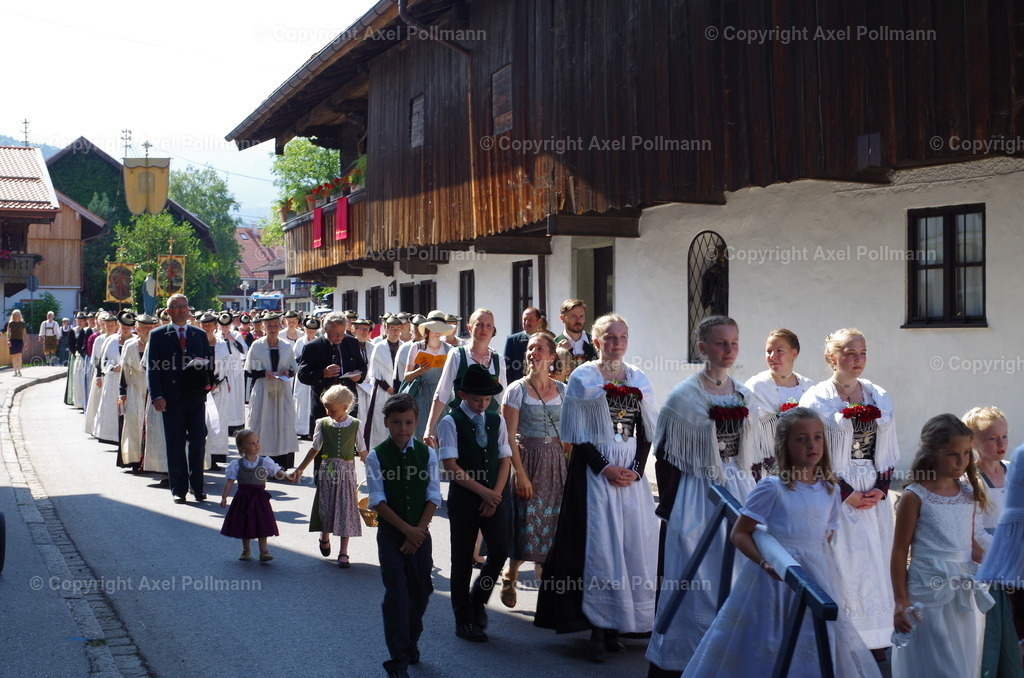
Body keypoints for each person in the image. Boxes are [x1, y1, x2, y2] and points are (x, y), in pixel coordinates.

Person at [683, 408, 881, 677]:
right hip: (773, 578)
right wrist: (764, 561)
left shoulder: (831, 489)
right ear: (785, 445)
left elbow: (827, 535)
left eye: (817, 438)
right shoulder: (772, 488)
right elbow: (740, 533)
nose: (812, 445)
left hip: (816, 576)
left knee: (813, 637)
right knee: (766, 640)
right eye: (801, 439)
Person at [536, 314, 659, 662]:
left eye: (622, 337)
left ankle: (621, 622)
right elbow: (575, 433)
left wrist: (635, 469)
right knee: (599, 547)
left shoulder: (639, 379)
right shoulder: (584, 377)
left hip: (630, 477)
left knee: (630, 546)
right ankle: (597, 628)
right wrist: (606, 468)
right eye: (609, 337)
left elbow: (647, 432)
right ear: (596, 340)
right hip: (595, 474)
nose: (616, 343)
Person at [647, 316, 760, 674]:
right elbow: (665, 457)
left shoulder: (743, 393)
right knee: (694, 575)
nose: (728, 350)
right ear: (702, 348)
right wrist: (669, 508)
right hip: (698, 495)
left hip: (737, 488)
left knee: (737, 571)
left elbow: (756, 453)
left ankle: (730, 657)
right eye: (720, 343)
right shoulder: (683, 397)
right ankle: (685, 660)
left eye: (734, 343)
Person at [800, 329, 899, 660]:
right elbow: (810, 453)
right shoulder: (816, 400)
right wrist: (844, 492)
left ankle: (877, 637)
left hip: (873, 492)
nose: (857, 360)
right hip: (835, 492)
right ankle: (844, 637)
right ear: (831, 358)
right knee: (845, 563)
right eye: (849, 353)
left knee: (876, 561)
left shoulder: (878, 395)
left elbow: (887, 450)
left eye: (862, 353)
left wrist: (881, 489)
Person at [891, 414, 994, 677]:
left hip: (961, 594)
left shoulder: (969, 494)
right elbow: (900, 551)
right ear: (932, 452)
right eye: (952, 454)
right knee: (940, 665)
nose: (961, 462)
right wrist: (901, 602)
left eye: (966, 454)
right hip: (926, 593)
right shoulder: (915, 496)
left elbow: (970, 546)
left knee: (962, 663)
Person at [365, 394, 441, 678]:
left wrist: (418, 532)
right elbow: (377, 500)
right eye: (396, 422)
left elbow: (433, 495)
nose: (402, 428)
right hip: (391, 536)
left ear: (416, 422)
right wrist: (405, 531)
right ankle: (397, 660)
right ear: (386, 423)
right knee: (396, 595)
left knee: (421, 592)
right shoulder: (377, 455)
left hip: (420, 535)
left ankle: (410, 641)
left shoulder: (427, 454)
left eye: (408, 422)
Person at [437, 364, 512, 643]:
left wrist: (496, 494)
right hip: (466, 498)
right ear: (462, 394)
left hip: (495, 494)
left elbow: (505, 458)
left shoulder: (496, 419)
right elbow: (451, 466)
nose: (483, 404)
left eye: (487, 399)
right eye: (477, 399)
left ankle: (478, 596)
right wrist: (483, 492)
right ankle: (463, 618)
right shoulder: (450, 421)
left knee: (501, 550)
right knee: (462, 559)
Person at [499, 331, 567, 609]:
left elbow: (568, 435)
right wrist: (521, 474)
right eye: (530, 349)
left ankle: (545, 581)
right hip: (527, 460)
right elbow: (508, 437)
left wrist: (570, 466)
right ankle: (511, 574)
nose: (533, 353)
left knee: (553, 524)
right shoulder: (516, 390)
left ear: (551, 357)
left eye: (540, 349)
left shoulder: (563, 390)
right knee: (527, 522)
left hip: (556, 463)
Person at [962, 407, 1023, 677]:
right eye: (992, 438)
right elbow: (974, 534)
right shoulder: (971, 480)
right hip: (992, 563)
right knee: (1000, 625)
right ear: (973, 442)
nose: (1001, 444)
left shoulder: (1013, 470)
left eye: (1004, 437)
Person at [147, 294, 216, 504]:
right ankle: (179, 488)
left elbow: (208, 364)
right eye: (176, 307)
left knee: (198, 443)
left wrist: (209, 383)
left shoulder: (198, 334)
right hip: (171, 398)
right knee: (175, 444)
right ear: (168, 312)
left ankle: (198, 487)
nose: (181, 310)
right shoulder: (158, 335)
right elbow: (153, 368)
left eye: (184, 306)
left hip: (195, 398)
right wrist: (157, 395)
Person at [293, 384, 367, 567]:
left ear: (345, 407)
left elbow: (363, 450)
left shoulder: (356, 425)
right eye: (326, 407)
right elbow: (315, 448)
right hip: (327, 471)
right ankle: (324, 535)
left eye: (331, 409)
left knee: (346, 510)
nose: (327, 411)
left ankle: (343, 552)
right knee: (326, 505)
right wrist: (300, 469)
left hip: (347, 474)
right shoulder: (323, 423)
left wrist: (377, 470)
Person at [425, 308, 506, 447]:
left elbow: (502, 399)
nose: (483, 329)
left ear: (493, 330)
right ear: (469, 328)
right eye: (479, 324)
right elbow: (441, 393)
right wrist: (429, 428)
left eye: (488, 325)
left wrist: (506, 432)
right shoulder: (457, 355)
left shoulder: (498, 360)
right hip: (460, 424)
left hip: (488, 426)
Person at [744, 328, 814, 475]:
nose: (773, 356)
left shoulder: (808, 387)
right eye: (769, 351)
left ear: (794, 353)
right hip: (766, 466)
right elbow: (749, 432)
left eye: (779, 351)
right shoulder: (755, 386)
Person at [296, 311, 366, 445]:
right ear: (325, 330)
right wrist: (323, 373)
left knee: (346, 445)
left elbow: (362, 366)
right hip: (324, 406)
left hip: (347, 404)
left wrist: (359, 375)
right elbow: (303, 376)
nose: (340, 337)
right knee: (323, 447)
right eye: (335, 333)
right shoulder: (312, 347)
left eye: (342, 333)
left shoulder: (352, 343)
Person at [220, 429, 290, 562]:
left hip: (259, 498)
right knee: (244, 523)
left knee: (262, 523)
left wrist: (286, 476)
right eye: (252, 443)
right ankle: (246, 550)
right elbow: (230, 481)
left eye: (257, 442)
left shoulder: (264, 462)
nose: (256, 445)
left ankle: (264, 551)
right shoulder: (237, 464)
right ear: (242, 448)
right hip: (243, 498)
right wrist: (224, 497)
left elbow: (276, 471)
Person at [244, 312, 298, 470]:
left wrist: (287, 372)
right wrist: (263, 373)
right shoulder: (257, 346)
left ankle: (282, 463)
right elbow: (249, 371)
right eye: (269, 325)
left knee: (284, 423)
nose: (272, 328)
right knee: (261, 422)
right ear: (264, 327)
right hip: (263, 389)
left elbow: (293, 368)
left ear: (280, 325)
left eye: (275, 325)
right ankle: (259, 460)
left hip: (282, 390)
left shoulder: (287, 346)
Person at [403, 316, 453, 440]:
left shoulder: (449, 349)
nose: (437, 332)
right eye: (433, 328)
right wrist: (420, 370)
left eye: (440, 329)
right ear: (427, 330)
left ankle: (441, 460)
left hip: (443, 394)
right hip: (422, 394)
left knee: (443, 434)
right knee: (422, 432)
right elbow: (406, 377)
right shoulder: (417, 347)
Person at [119, 313, 157, 470]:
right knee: (134, 425)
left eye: (150, 327)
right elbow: (124, 370)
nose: (147, 330)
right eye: (144, 328)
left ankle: (151, 461)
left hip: (152, 391)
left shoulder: (157, 344)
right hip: (135, 389)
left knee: (152, 427)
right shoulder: (130, 345)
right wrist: (122, 392)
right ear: (137, 329)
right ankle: (135, 460)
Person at [96, 311, 135, 449]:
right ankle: (112, 435)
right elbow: (103, 360)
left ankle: (126, 435)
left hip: (129, 380)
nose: (125, 330)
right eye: (123, 327)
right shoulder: (111, 340)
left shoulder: (135, 341)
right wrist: (113, 368)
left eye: (128, 328)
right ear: (119, 326)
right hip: (113, 380)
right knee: (112, 407)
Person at [365, 315, 404, 450]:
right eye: (392, 329)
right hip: (383, 392)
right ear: (385, 329)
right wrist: (390, 389)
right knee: (380, 423)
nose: (395, 332)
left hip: (400, 391)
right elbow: (376, 374)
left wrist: (399, 390)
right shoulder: (379, 347)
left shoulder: (404, 347)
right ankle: (379, 450)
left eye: (398, 329)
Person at [216, 312, 247, 434]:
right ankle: (223, 422)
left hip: (234, 370)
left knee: (236, 396)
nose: (225, 328)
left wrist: (232, 339)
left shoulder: (236, 335)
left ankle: (236, 423)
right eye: (222, 326)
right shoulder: (216, 336)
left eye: (227, 326)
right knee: (223, 396)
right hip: (222, 369)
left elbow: (244, 349)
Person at [293, 317, 319, 440]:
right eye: (308, 330)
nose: (311, 332)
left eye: (313, 330)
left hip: (314, 374)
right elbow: (296, 358)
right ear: (305, 329)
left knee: (312, 402)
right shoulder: (300, 341)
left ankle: (312, 429)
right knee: (301, 401)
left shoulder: (319, 341)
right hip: (303, 374)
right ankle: (301, 429)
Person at [554, 299, 596, 376]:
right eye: (573, 316)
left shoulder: (595, 342)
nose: (578, 320)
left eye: (581, 316)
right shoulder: (553, 345)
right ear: (562, 318)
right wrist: (558, 355)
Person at [503, 307, 544, 383]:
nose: (527, 323)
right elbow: (506, 369)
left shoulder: (545, 341)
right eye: (524, 320)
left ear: (539, 321)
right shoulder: (512, 341)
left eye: (530, 320)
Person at [4, 309, 27, 376]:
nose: (16, 316)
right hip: (13, 340)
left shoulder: (22, 323)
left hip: (20, 341)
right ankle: (15, 371)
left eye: (18, 314)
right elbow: (8, 332)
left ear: (20, 315)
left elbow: (24, 333)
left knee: (19, 355)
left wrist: (26, 342)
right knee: (14, 356)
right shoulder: (11, 323)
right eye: (15, 315)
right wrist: (8, 340)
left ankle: (19, 371)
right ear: (13, 315)